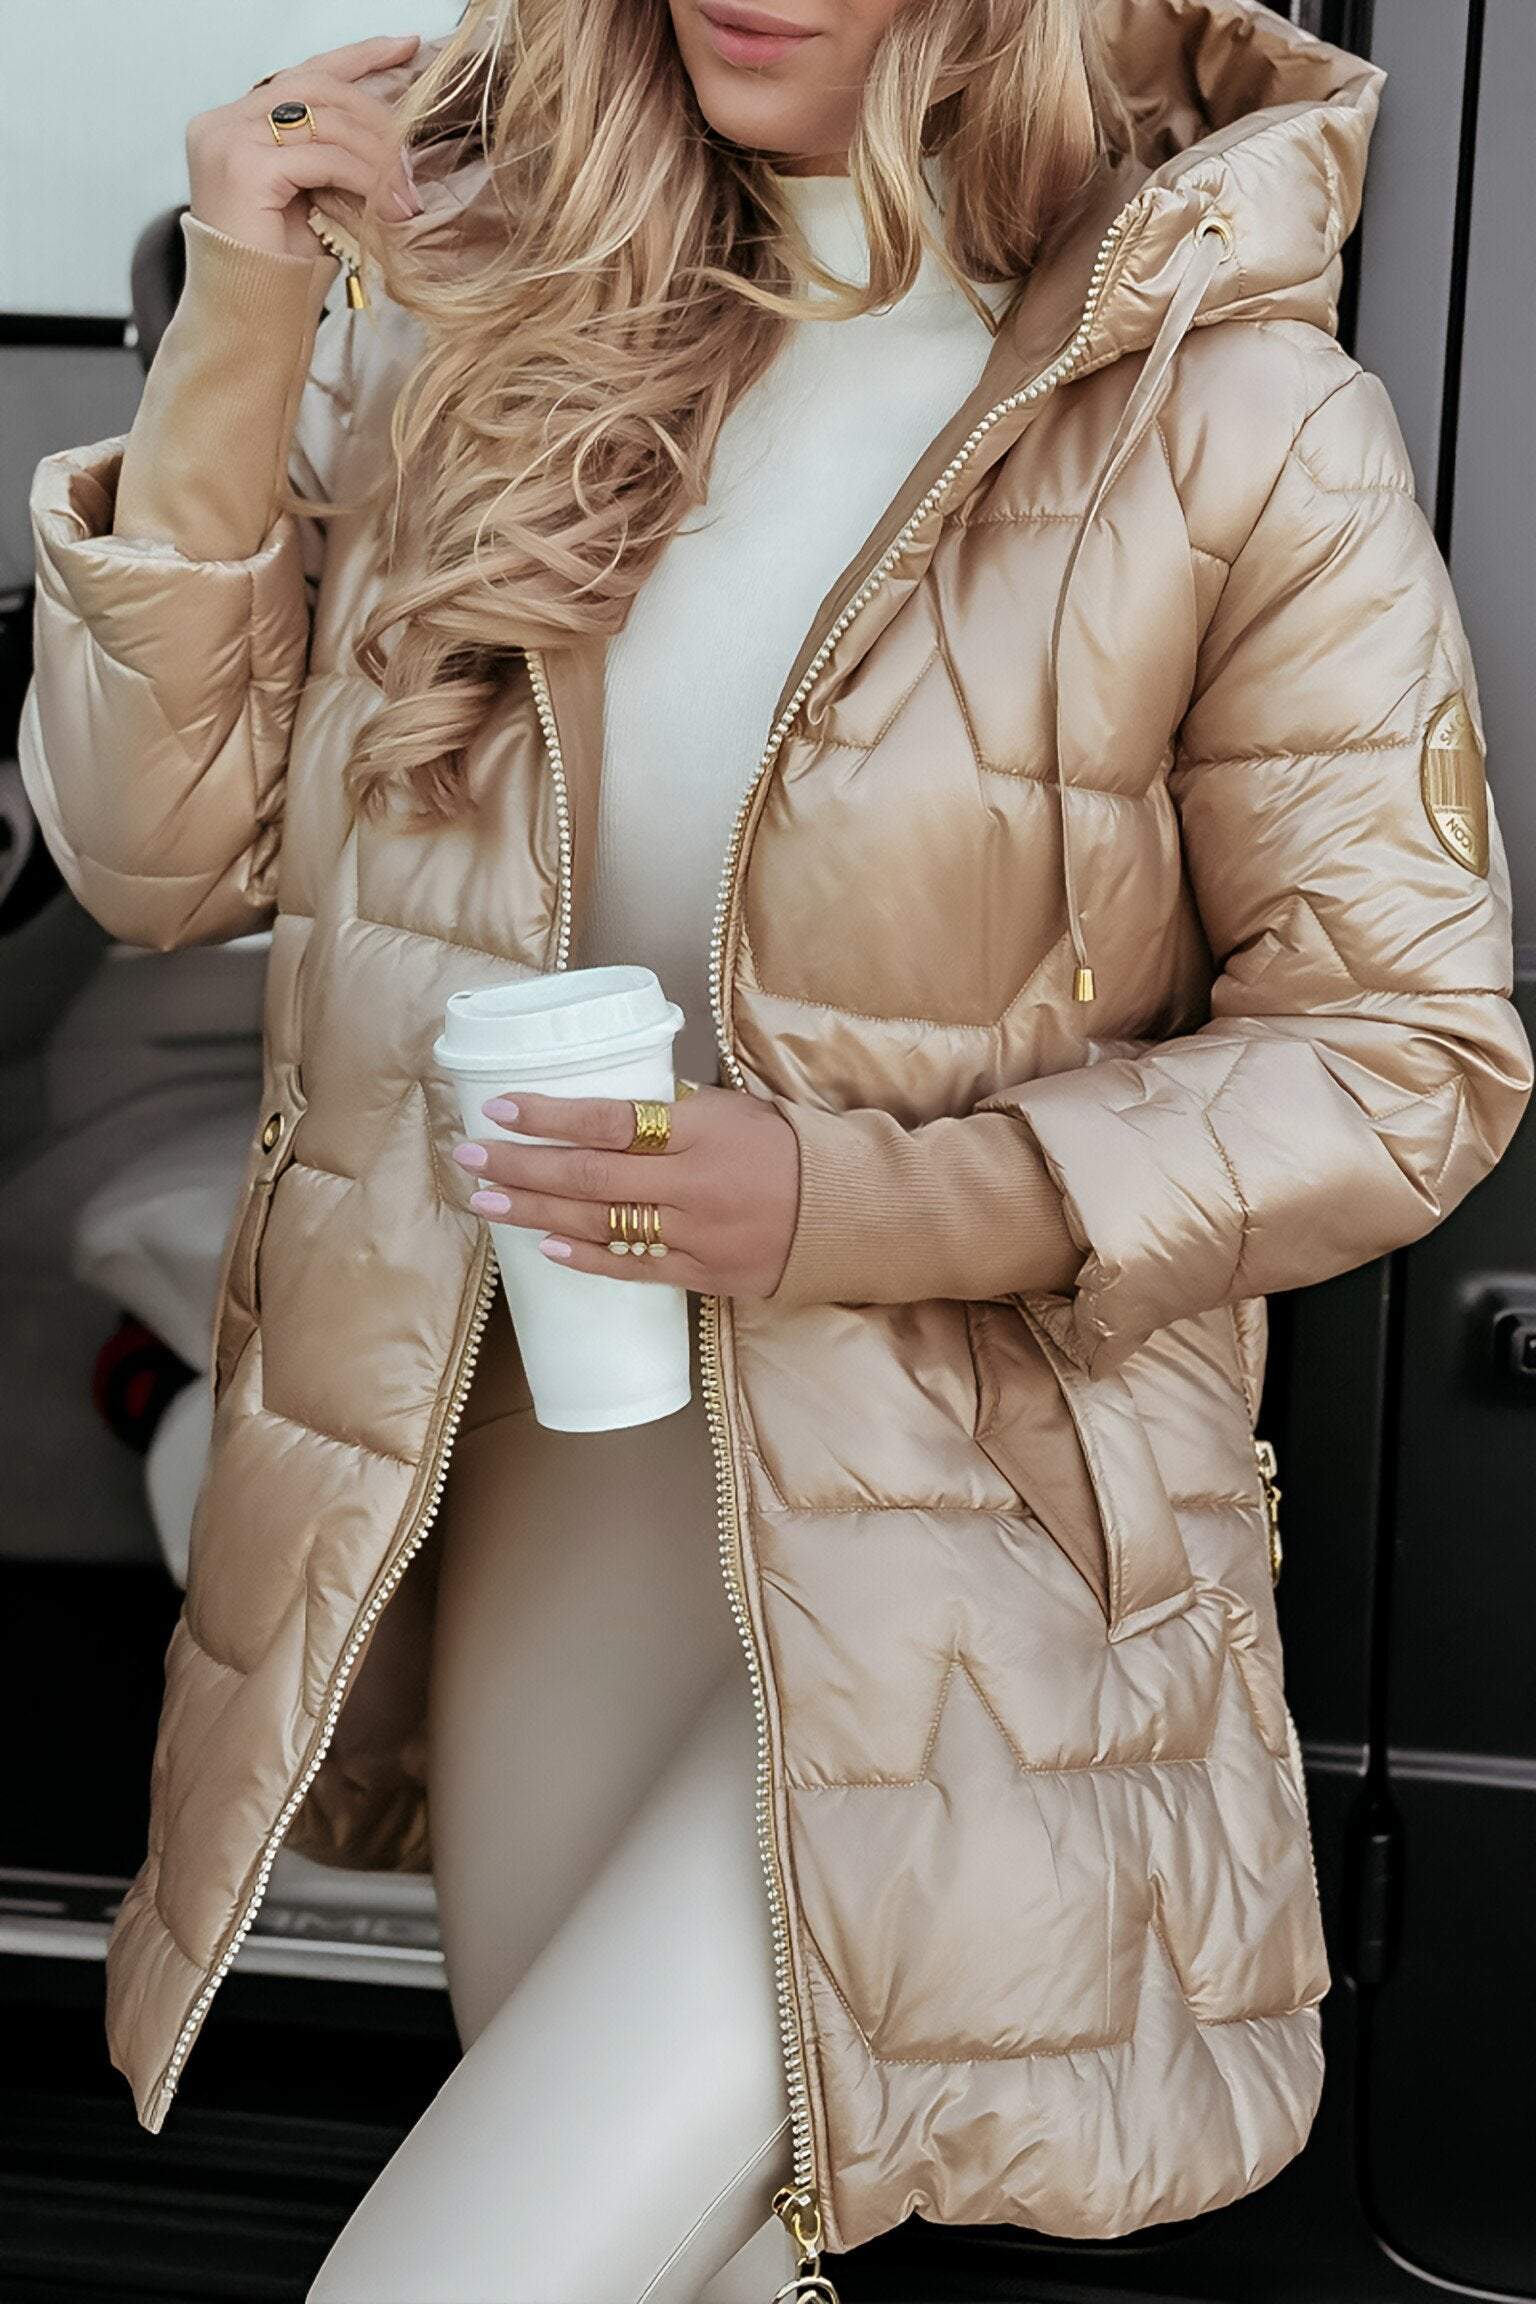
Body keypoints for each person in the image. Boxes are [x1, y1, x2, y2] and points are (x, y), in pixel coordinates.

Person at [19, 1, 1531, 2299]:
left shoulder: (1232, 418)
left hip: (969, 1551)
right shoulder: (482, 352)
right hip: (552, 1490)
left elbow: (1402, 1062)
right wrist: (245, 307)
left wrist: (842, 1198)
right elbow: (154, 862)